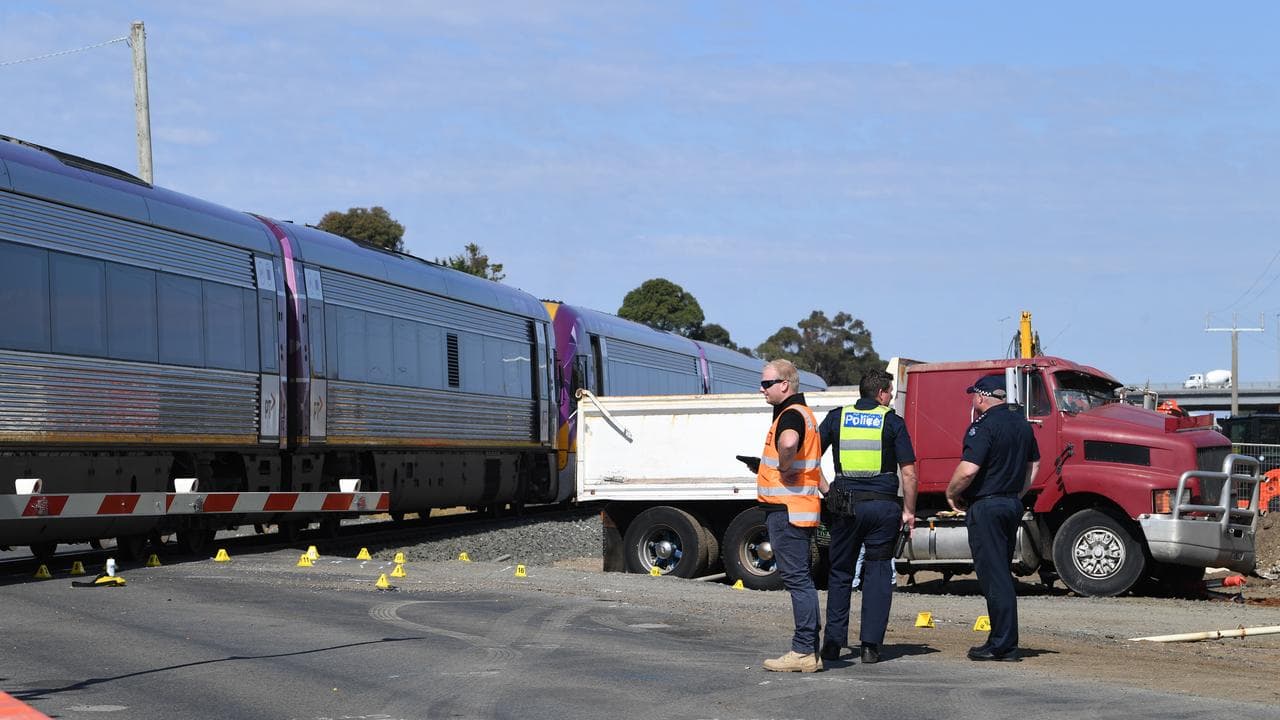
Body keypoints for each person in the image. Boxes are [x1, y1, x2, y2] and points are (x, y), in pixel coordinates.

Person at [818, 369, 916, 664]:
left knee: (841, 572)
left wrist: (827, 491)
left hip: (845, 505)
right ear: (882, 393)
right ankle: (870, 647)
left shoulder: (837, 417)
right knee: (877, 571)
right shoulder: (892, 421)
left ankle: (833, 644)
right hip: (883, 507)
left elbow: (808, 459)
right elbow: (909, 473)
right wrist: (909, 510)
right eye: (889, 394)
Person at [945, 373, 1040, 662]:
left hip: (987, 506)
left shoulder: (983, 426)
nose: (973, 400)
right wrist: (1017, 493)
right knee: (1001, 572)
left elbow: (969, 469)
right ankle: (1003, 640)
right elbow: (1034, 463)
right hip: (1011, 504)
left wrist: (951, 493)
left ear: (983, 396)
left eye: (975, 395)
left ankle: (1002, 643)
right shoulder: (1021, 424)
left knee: (993, 576)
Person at [757, 359, 826, 673]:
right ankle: (810, 651)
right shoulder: (806, 414)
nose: (762, 389)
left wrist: (783, 466)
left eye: (767, 383)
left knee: (797, 580)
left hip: (787, 511)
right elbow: (813, 467)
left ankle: (802, 651)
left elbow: (788, 444)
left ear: (784, 384)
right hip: (799, 509)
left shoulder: (791, 415)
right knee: (803, 580)